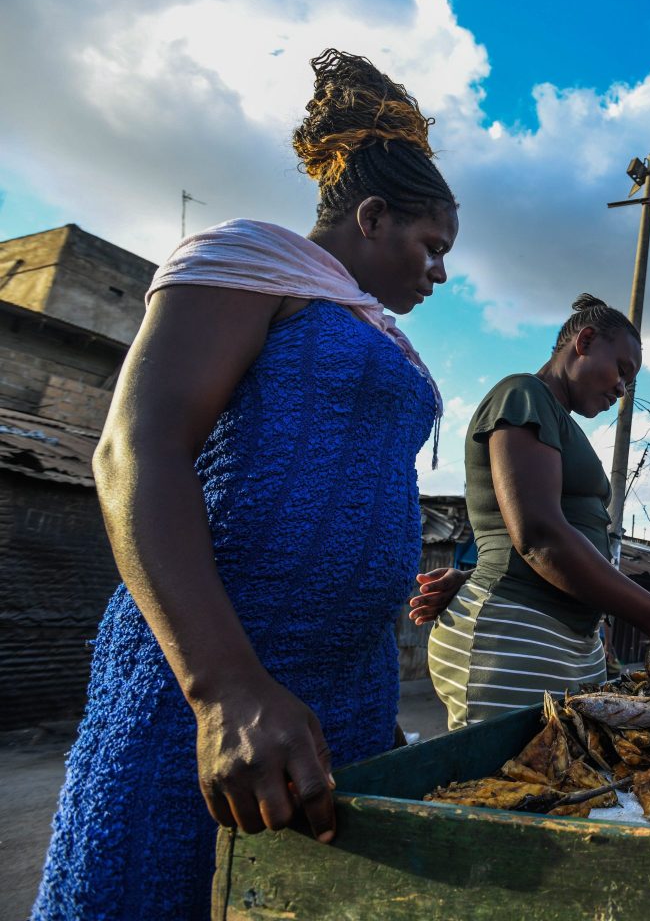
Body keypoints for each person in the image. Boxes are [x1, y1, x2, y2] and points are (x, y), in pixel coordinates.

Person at [32, 51, 459, 921]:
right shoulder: (247, 261)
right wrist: (223, 687)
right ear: (372, 217)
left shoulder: (367, 328)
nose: (439, 273)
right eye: (430, 246)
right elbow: (132, 452)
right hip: (222, 680)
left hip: (346, 699)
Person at [408, 295, 650, 726]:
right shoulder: (522, 394)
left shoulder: (555, 418)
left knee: (563, 783)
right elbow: (538, 534)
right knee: (508, 788)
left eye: (630, 382)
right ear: (585, 341)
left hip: (557, 638)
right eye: (622, 370)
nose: (622, 389)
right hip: (515, 633)